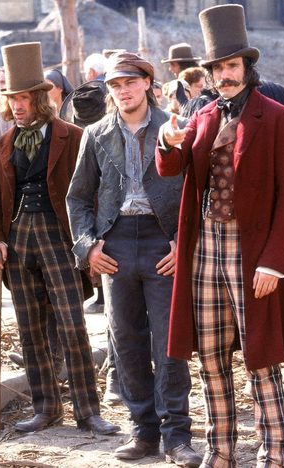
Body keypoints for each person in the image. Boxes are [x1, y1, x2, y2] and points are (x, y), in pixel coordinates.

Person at [156, 5, 284, 466]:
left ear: (247, 67)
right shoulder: (202, 115)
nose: (225, 74)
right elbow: (172, 169)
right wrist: (166, 141)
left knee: (261, 356)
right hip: (204, 247)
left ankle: (274, 451)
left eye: (232, 65)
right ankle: (220, 450)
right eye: (218, 67)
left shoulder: (275, 115)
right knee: (210, 354)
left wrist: (273, 260)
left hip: (251, 248)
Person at [66, 51, 201, 467]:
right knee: (125, 339)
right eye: (115, 85)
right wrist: (88, 246)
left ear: (147, 83)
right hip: (116, 243)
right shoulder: (96, 133)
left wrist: (182, 242)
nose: (123, 91)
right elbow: (78, 198)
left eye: (130, 82)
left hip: (163, 243)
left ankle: (177, 436)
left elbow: (196, 190)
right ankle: (143, 431)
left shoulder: (174, 127)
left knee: (169, 341)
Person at [0, 42, 119, 436]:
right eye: (12, 99)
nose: (17, 106)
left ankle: (88, 412)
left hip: (59, 235)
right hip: (18, 239)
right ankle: (46, 408)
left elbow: (93, 192)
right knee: (30, 328)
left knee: (71, 325)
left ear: (41, 99)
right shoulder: (5, 141)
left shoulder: (72, 136)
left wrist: (90, 240)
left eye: (24, 98)